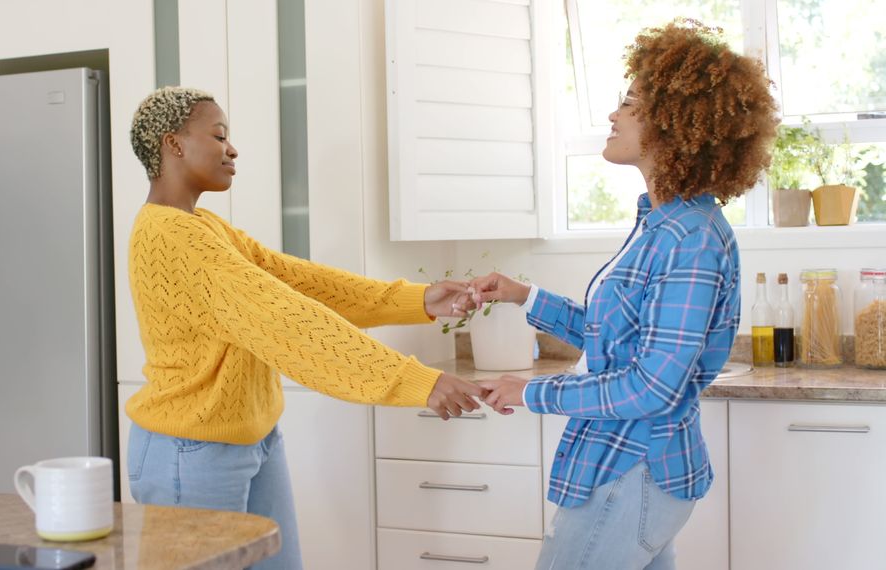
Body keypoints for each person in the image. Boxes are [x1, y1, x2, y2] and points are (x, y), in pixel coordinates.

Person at [124, 86, 484, 570]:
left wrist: (415, 299)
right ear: (174, 144)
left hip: (252, 439)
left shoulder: (205, 226)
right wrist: (414, 380)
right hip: (192, 452)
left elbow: (297, 284)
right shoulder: (175, 237)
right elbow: (286, 321)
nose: (232, 148)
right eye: (219, 135)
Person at [467, 19, 778, 570]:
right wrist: (526, 296)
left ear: (679, 123)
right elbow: (618, 338)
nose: (613, 114)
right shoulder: (661, 223)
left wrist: (531, 392)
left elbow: (652, 387)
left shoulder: (690, 239)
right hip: (624, 465)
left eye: (631, 103)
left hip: (634, 470)